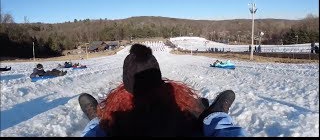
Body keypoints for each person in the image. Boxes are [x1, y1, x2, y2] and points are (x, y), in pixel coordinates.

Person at [79, 44, 246, 137]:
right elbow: (194, 110)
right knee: (221, 129)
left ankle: (95, 121)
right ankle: (216, 116)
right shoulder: (177, 100)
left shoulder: (117, 113)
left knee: (98, 130)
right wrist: (201, 109)